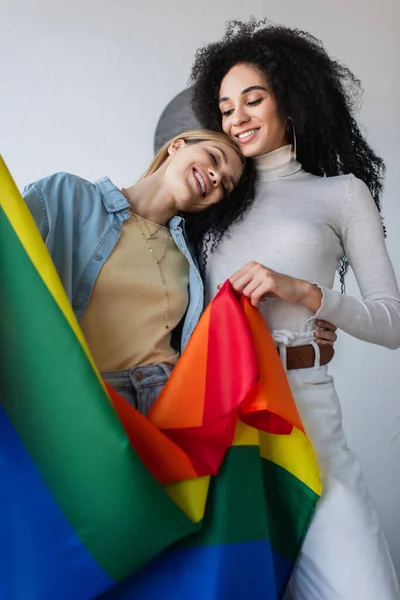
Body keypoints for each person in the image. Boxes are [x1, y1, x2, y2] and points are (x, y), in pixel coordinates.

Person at [190, 19, 400, 600]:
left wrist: (305, 292)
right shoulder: (211, 205)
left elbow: (393, 323)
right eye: (226, 108)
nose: (238, 119)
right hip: (228, 420)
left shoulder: (341, 194)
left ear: (292, 98)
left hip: (308, 411)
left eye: (252, 99)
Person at [22, 129, 251, 413]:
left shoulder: (191, 257)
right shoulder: (65, 197)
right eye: (214, 158)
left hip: (166, 411)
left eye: (225, 186)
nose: (216, 178)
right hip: (80, 409)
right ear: (176, 146)